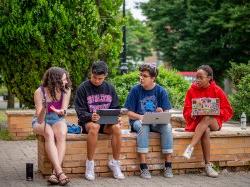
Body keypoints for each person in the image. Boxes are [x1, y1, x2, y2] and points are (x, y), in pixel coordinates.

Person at [74, 61, 125, 181]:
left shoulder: (110, 88)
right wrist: (91, 116)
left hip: (107, 123)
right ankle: (90, 164)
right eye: (94, 77)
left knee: (117, 128)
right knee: (95, 127)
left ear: (105, 76)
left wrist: (118, 118)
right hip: (89, 123)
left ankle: (115, 163)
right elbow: (80, 112)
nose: (97, 80)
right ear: (91, 74)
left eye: (100, 78)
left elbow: (116, 108)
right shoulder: (83, 88)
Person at [182, 65, 233, 177]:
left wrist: (214, 110)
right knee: (205, 130)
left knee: (208, 117)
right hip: (198, 123)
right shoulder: (191, 90)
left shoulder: (217, 90)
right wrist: (193, 113)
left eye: (201, 77)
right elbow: (186, 110)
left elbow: (228, 111)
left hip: (214, 122)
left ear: (209, 77)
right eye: (197, 77)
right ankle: (207, 166)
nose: (197, 80)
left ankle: (190, 146)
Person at [124, 63, 173, 179]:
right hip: (138, 121)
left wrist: (161, 112)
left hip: (155, 122)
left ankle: (168, 165)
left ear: (153, 78)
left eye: (145, 76)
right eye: (140, 75)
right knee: (143, 126)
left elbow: (167, 114)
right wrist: (141, 117)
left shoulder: (161, 91)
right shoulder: (135, 90)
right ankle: (143, 166)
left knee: (167, 127)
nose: (141, 78)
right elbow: (129, 113)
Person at [32, 67, 71, 185]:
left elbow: (64, 110)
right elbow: (39, 119)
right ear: (54, 80)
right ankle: (60, 172)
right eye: (63, 80)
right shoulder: (39, 92)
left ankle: (54, 173)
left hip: (57, 118)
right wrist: (45, 106)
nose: (66, 82)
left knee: (62, 133)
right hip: (41, 120)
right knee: (48, 133)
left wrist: (61, 111)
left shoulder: (66, 89)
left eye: (66, 79)